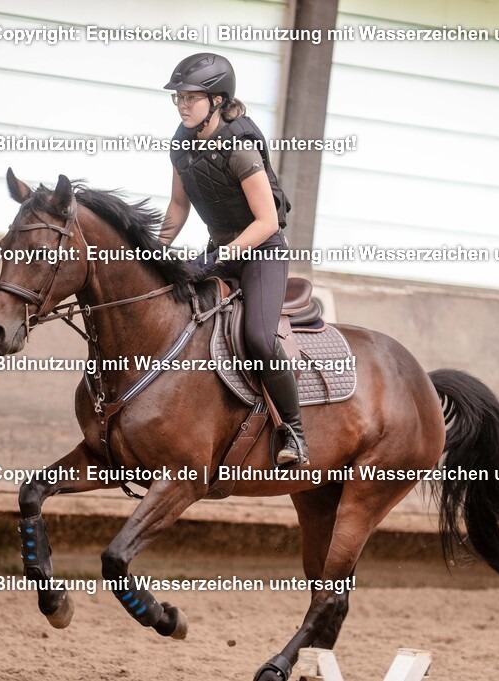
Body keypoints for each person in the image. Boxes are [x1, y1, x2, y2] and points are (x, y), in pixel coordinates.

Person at [158, 52, 309, 467]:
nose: (182, 105)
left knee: (260, 338)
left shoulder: (240, 147)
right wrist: (154, 250)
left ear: (218, 100)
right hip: (221, 251)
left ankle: (294, 431)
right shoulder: (182, 143)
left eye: (191, 97)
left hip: (262, 253)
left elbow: (265, 221)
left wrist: (215, 259)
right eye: (178, 98)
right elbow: (177, 208)